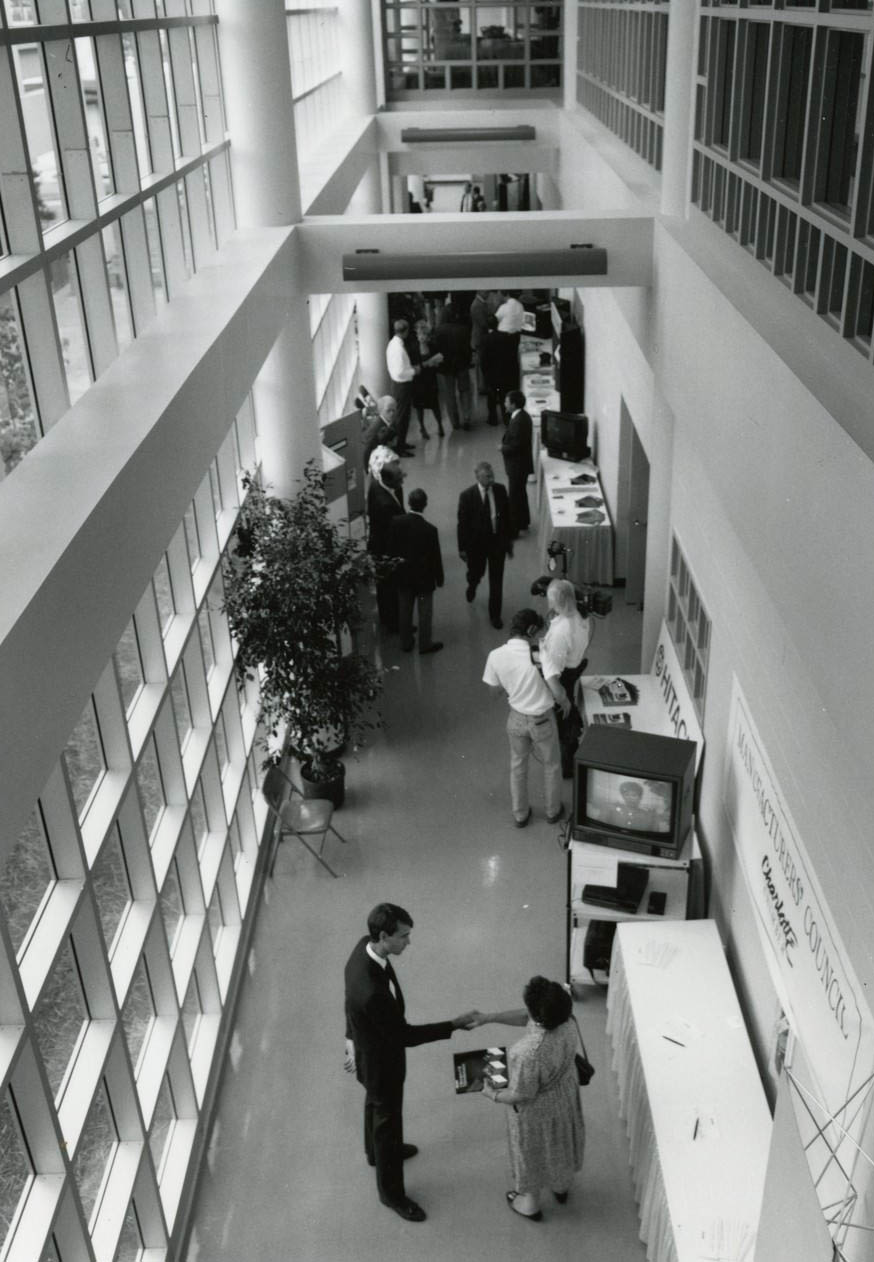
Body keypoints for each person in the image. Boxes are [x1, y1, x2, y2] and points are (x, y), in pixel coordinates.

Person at [344, 903, 479, 1223]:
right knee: (387, 1120)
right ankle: (391, 1194)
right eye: (403, 936)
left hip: (365, 1050)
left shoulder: (361, 950)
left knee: (374, 1105)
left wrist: (349, 1039)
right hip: (381, 1062)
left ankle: (374, 1154)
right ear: (382, 936)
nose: (409, 942)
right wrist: (453, 1025)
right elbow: (404, 1035)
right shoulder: (372, 992)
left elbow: (348, 1002)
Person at [472, 977, 584, 1220]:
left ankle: (529, 1203)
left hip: (536, 1113)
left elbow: (521, 1094)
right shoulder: (567, 1021)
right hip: (564, 1093)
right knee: (559, 1142)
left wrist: (493, 1094)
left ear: (539, 1016)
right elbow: (528, 1016)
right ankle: (560, 1186)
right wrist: (489, 1017)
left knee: (531, 1151)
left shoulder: (527, 1053)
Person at [483, 608, 563, 827]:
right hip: (542, 720)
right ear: (531, 630)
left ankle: (520, 814)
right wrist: (565, 703)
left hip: (516, 719)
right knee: (552, 765)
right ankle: (552, 811)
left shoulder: (495, 655)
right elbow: (556, 690)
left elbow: (494, 692)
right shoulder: (540, 654)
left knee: (518, 766)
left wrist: (514, 684)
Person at [539, 578, 591, 777]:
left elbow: (553, 676)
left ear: (554, 603)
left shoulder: (561, 632)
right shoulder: (581, 617)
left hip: (563, 677)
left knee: (564, 721)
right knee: (567, 722)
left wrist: (562, 700)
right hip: (574, 666)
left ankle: (567, 766)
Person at [386, 488, 444, 655]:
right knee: (425, 612)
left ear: (409, 503)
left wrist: (393, 572)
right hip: (424, 578)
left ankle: (406, 642)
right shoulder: (430, 530)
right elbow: (435, 556)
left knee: (404, 609)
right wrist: (439, 578)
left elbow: (391, 550)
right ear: (425, 505)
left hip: (404, 575)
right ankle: (425, 644)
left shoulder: (396, 522)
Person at [457, 461, 513, 630]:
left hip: (497, 544)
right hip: (476, 546)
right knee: (476, 572)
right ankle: (472, 585)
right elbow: (462, 524)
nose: (492, 479)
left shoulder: (500, 490)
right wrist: (462, 548)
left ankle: (495, 615)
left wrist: (508, 543)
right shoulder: (467, 496)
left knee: (497, 581)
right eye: (488, 476)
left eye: (492, 475)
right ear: (478, 477)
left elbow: (507, 518)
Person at [367, 446, 405, 631]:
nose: (402, 480)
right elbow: (393, 533)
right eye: (399, 479)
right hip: (386, 551)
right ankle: (392, 623)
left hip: (385, 548)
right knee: (388, 588)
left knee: (389, 588)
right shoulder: (384, 503)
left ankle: (393, 620)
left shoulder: (384, 486)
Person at [434, 301, 473, 430]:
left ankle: (455, 422)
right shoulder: (463, 329)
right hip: (462, 365)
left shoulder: (438, 331)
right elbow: (468, 350)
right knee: (465, 391)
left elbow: (436, 349)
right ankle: (467, 417)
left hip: (446, 368)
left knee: (450, 396)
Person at [501, 388, 534, 536]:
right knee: (520, 494)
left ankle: (514, 529)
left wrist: (503, 448)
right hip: (520, 464)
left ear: (513, 404)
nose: (504, 404)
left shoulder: (519, 420)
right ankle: (523, 522)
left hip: (517, 465)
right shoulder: (521, 416)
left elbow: (517, 445)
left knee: (514, 497)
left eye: (506, 402)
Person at [385, 319, 418, 456]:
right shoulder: (398, 348)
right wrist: (414, 371)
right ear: (405, 331)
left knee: (403, 415)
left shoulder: (392, 344)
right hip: (402, 385)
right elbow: (400, 371)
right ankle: (399, 446)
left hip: (398, 384)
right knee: (402, 416)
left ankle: (402, 442)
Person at [479, 314, 517, 426]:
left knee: (491, 397)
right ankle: (506, 419)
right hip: (504, 372)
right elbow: (512, 355)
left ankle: (493, 419)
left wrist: (485, 373)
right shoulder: (506, 336)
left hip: (491, 374)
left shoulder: (485, 339)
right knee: (504, 397)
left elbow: (483, 360)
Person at [411, 319, 445, 438]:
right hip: (419, 381)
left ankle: (440, 425)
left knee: (435, 405)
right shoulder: (413, 348)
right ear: (417, 334)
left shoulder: (432, 346)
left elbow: (440, 359)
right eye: (421, 334)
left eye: (425, 334)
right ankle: (422, 427)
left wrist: (435, 362)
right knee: (419, 407)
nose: (423, 337)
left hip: (430, 380)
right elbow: (412, 365)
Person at [495, 290, 525, 387]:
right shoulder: (520, 305)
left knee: (503, 365)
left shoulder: (503, 307)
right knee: (513, 362)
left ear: (505, 294)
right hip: (516, 336)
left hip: (503, 338)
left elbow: (494, 320)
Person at [362, 395, 399, 468]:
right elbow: (367, 450)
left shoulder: (389, 421)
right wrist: (367, 470)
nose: (392, 413)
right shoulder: (376, 428)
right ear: (381, 411)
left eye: (394, 410)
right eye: (388, 410)